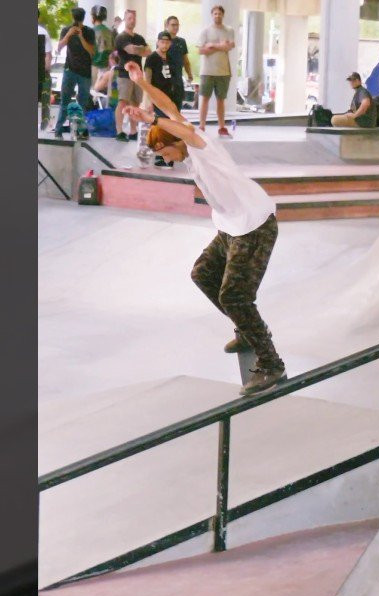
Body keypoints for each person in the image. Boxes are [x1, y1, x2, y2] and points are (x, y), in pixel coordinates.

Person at [120, 60, 287, 395]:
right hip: (231, 227)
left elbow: (181, 129)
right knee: (202, 273)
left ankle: (271, 365)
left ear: (174, 142)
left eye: (164, 151)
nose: (166, 159)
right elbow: (169, 106)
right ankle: (245, 328)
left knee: (235, 295)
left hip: (255, 225)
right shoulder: (183, 139)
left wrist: (151, 119)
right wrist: (141, 84)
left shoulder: (201, 145)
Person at [54, 7, 96, 138]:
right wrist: (68, 35)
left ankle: (80, 131)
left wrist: (81, 36)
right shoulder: (66, 30)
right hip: (69, 70)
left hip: (84, 73)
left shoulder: (89, 32)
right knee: (64, 101)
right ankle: (58, 129)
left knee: (82, 103)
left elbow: (92, 52)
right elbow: (59, 48)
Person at [196, 5, 236, 137]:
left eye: (219, 14)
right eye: (215, 14)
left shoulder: (229, 30)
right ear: (212, 15)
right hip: (207, 71)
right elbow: (200, 50)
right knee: (205, 99)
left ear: (223, 15)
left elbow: (230, 46)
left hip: (223, 71)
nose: (217, 16)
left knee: (221, 100)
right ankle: (201, 126)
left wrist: (212, 45)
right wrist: (221, 46)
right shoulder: (205, 31)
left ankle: (222, 127)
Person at [144, 31, 182, 167]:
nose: (165, 44)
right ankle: (160, 156)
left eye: (167, 42)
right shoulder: (152, 58)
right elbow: (147, 80)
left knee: (171, 127)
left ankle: (169, 156)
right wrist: (148, 100)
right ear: (158, 42)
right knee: (160, 126)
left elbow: (176, 78)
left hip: (172, 99)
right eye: (162, 42)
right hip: (158, 98)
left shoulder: (172, 58)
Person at [113, 9, 149, 141]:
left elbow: (148, 52)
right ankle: (119, 131)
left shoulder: (139, 37)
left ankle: (133, 131)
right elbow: (131, 49)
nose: (132, 20)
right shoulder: (121, 37)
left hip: (137, 75)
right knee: (123, 101)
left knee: (135, 103)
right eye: (129, 18)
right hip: (124, 74)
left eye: (134, 18)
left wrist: (139, 49)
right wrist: (140, 49)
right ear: (125, 20)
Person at [165, 15, 194, 105]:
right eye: (173, 25)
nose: (176, 27)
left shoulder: (181, 41)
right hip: (166, 79)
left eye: (177, 25)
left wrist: (189, 74)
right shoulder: (163, 40)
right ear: (167, 25)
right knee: (166, 106)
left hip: (178, 78)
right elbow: (161, 61)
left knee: (177, 105)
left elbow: (185, 60)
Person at [90, 6, 116, 88]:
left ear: (93, 16)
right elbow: (113, 49)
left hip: (93, 66)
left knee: (91, 94)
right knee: (103, 95)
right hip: (106, 68)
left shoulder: (90, 31)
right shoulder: (109, 32)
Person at [38, 19, 54, 130]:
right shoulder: (43, 32)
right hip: (41, 70)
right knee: (45, 103)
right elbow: (48, 56)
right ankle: (44, 127)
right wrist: (46, 71)